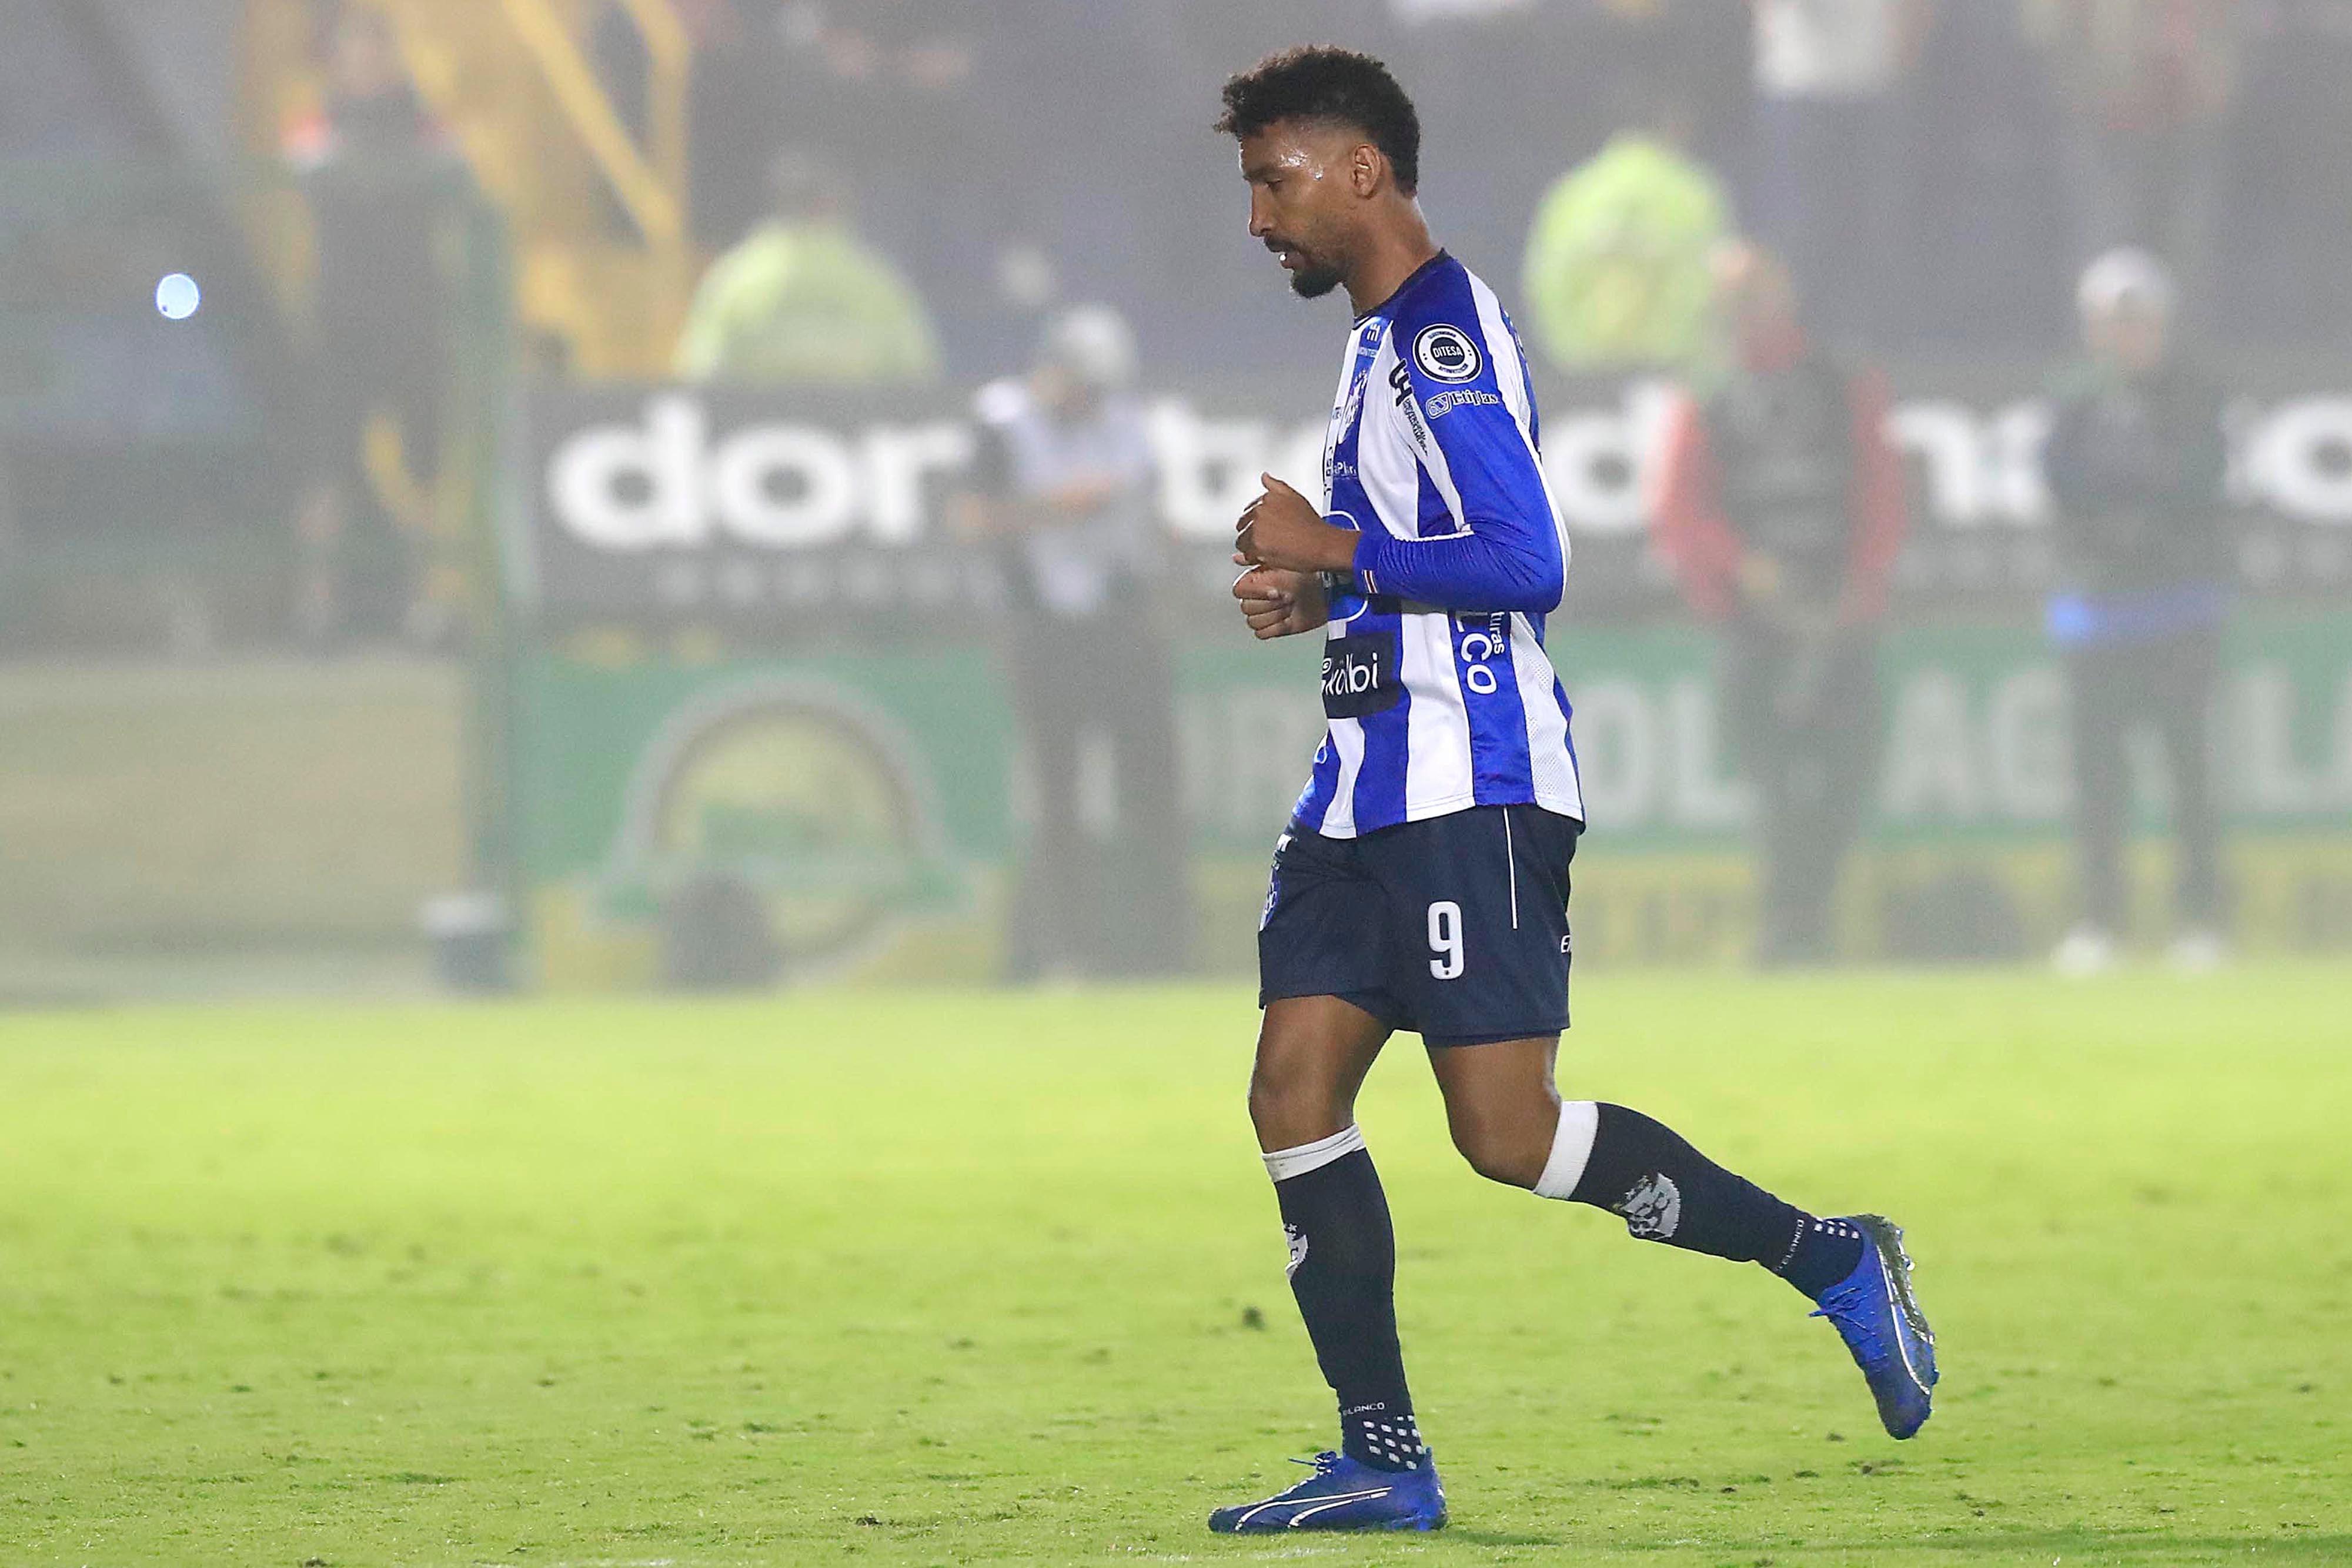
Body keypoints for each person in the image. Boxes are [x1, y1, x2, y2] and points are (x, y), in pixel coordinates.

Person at [1208, 47, 1937, 1535]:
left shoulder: (1438, 335)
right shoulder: (1367, 346)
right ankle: (1382, 1459)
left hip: (1468, 782)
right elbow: (1431, 566)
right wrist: (1322, 600)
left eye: (1272, 182)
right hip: (1359, 785)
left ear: (1359, 171)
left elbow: (1526, 563)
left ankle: (1832, 1256)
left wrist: (1337, 551)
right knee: (1290, 1094)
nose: (1258, 216)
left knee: (1506, 1136)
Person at [1651, 243, 1908, 966]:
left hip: (1840, 618)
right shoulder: (1705, 391)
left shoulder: (1841, 380)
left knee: (1846, 774)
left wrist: (1863, 582)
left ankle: (1813, 917)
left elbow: (1880, 488)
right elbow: (1678, 508)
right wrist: (1744, 570)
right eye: (1731, 299)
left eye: (1755, 295)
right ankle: (1785, 927)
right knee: (1770, 784)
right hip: (1752, 627)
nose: (1745, 312)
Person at [957, 305, 1190, 979]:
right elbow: (971, 518)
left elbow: (1154, 514)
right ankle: (1066, 951)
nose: (1090, 406)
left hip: (1120, 622)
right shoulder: (1002, 424)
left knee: (1149, 784)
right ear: (1053, 372)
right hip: (1042, 625)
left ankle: (1155, 947)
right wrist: (1058, 508)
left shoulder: (1127, 424)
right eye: (1081, 390)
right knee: (1057, 790)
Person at [2042, 248, 2231, 975]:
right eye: (2112, 322)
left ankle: (2202, 919)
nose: (2126, 334)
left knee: (2189, 773)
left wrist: (2138, 516)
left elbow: (2198, 484)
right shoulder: (2073, 401)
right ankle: (2099, 921)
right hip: (2095, 615)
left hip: (2178, 612)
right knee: (2096, 783)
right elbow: (2061, 488)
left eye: (2138, 320)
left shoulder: (2196, 396)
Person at [284, 5, 467, 644]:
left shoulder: (424, 121)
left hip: (415, 320)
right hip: (340, 324)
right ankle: (318, 613)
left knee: (426, 466)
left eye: (375, 47)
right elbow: (312, 171)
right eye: (352, 48)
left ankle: (431, 609)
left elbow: (454, 177)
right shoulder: (318, 123)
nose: (365, 60)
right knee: (328, 468)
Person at [672, 151, 942, 385]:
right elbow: (918, 373)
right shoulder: (876, 281)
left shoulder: (736, 280)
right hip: (863, 438)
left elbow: (699, 375)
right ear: (838, 202)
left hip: (758, 436)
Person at [1519, 85, 1732, 375]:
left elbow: (1547, 282)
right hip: (1672, 375)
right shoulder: (1694, 192)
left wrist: (1571, 354)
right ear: (1674, 124)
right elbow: (1715, 284)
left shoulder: (1571, 195)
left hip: (1585, 373)